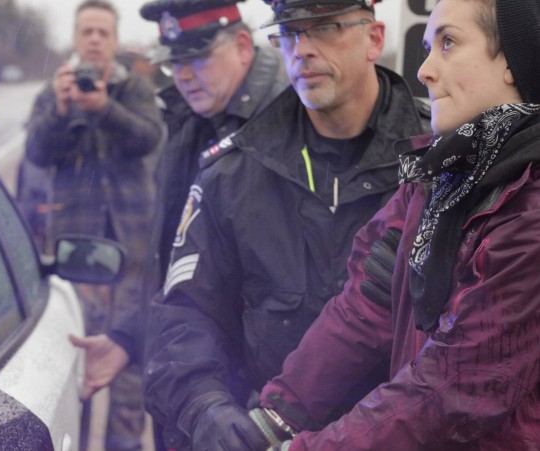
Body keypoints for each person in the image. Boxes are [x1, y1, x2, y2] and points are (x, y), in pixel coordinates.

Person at [139, 0, 431, 449]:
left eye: (325, 27)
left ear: (374, 39)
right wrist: (207, 407)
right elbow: (185, 315)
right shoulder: (233, 173)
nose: (303, 49)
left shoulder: (440, 157)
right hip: (269, 434)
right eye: (290, 33)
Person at [254, 0, 540, 449]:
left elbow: (456, 385)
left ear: (511, 58)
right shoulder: (438, 176)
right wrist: (277, 414)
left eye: (448, 43)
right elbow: (368, 304)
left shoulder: (530, 209)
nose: (424, 71)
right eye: (427, 48)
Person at [69, 1, 288, 448]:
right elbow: (175, 260)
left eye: (198, 57)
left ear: (242, 46)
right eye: (175, 62)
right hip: (188, 388)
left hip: (249, 405)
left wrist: (258, 406)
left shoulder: (285, 122)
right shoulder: (189, 116)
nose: (184, 75)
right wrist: (131, 334)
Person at [24, 1, 163, 450]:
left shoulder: (135, 89)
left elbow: (149, 137)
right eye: (88, 31)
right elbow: (36, 153)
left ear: (115, 40)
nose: (96, 39)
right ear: (76, 38)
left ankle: (125, 445)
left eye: (104, 32)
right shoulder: (55, 92)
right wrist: (61, 109)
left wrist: (104, 107)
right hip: (76, 252)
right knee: (75, 361)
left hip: (132, 244)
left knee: (127, 358)